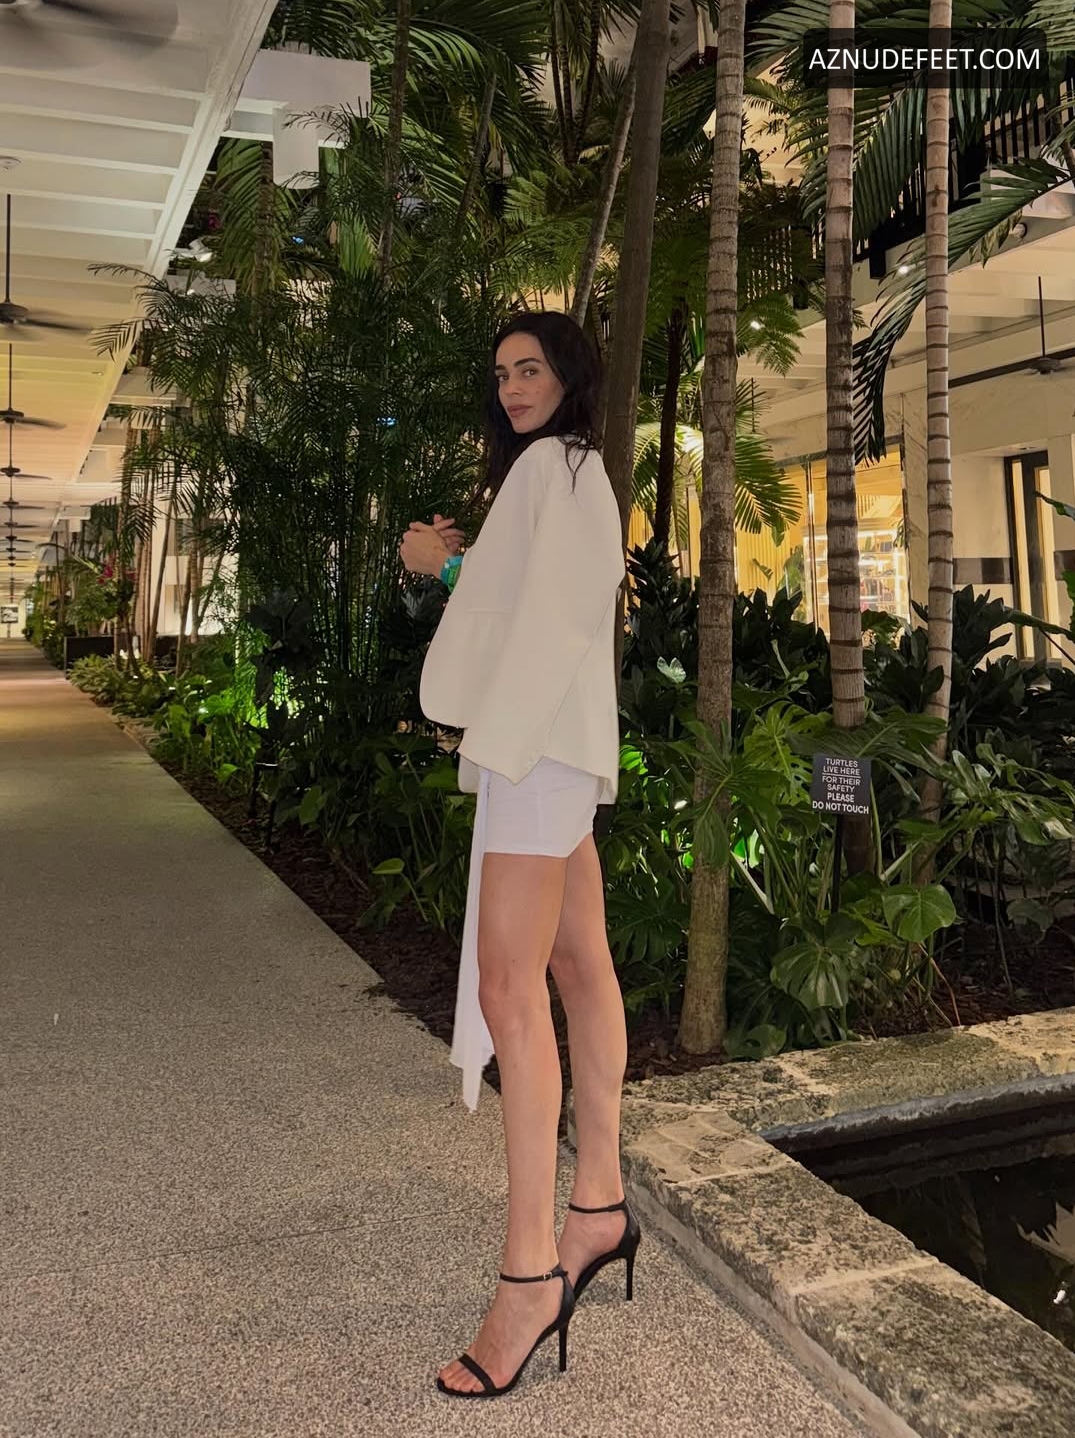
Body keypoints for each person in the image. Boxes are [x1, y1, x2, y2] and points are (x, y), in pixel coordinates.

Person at [398, 312, 641, 1400]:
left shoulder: (564, 467)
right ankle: (600, 1205)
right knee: (578, 965)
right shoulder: (562, 471)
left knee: (509, 986)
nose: (511, 386)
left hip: (534, 750)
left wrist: (441, 567)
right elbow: (539, 604)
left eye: (529, 367)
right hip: (548, 747)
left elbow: (553, 613)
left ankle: (531, 1272)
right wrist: (462, 565)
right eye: (501, 372)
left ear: (569, 373)